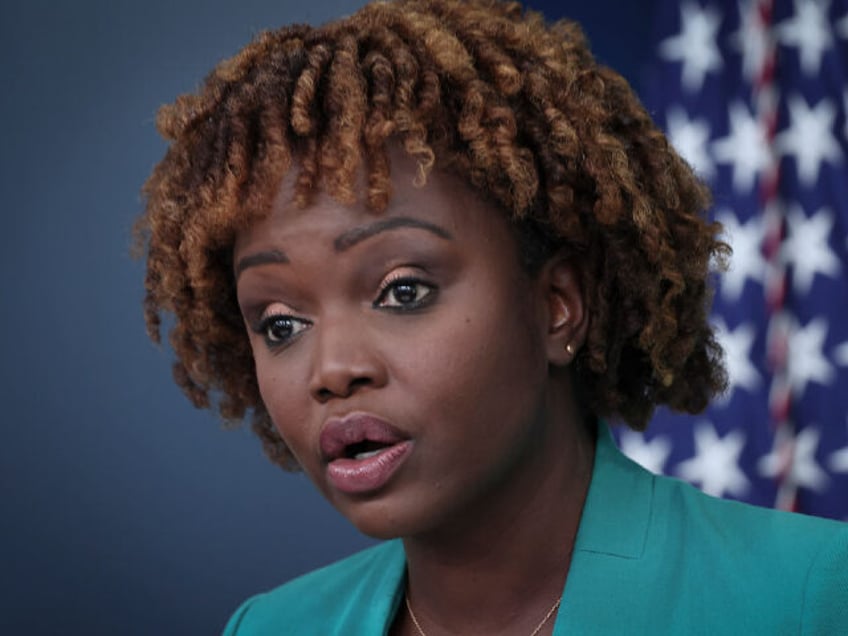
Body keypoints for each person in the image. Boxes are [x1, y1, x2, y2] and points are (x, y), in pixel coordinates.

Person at [135, 0, 848, 633]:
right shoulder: (272, 627)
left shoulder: (810, 596)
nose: (332, 371)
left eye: (403, 290)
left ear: (558, 307)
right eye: (280, 324)